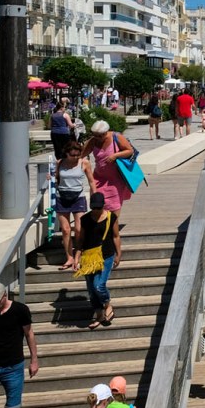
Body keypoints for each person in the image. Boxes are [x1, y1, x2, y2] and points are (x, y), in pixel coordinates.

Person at [74, 193, 121, 329]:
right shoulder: (85, 219)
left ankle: (107, 304)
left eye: (98, 208)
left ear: (103, 206)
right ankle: (99, 314)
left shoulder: (111, 217)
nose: (96, 210)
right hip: (89, 257)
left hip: (106, 255)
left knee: (99, 285)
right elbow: (81, 240)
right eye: (94, 208)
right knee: (91, 288)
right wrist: (77, 257)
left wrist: (118, 254)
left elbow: (116, 236)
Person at [55, 139, 96, 270]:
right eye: (72, 155)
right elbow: (55, 178)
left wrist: (94, 197)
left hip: (78, 197)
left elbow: (91, 182)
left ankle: (79, 252)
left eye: (77, 155)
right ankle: (69, 257)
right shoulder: (59, 163)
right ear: (66, 153)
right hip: (62, 197)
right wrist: (49, 178)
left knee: (79, 228)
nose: (75, 158)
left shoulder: (84, 163)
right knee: (66, 230)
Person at [80, 121, 134, 217]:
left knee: (114, 204)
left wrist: (116, 155)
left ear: (106, 132)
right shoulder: (93, 141)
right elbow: (80, 155)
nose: (98, 138)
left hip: (116, 178)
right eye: (95, 135)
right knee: (97, 202)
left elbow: (130, 151)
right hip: (99, 177)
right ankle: (101, 224)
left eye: (100, 136)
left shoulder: (116, 137)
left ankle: (113, 226)